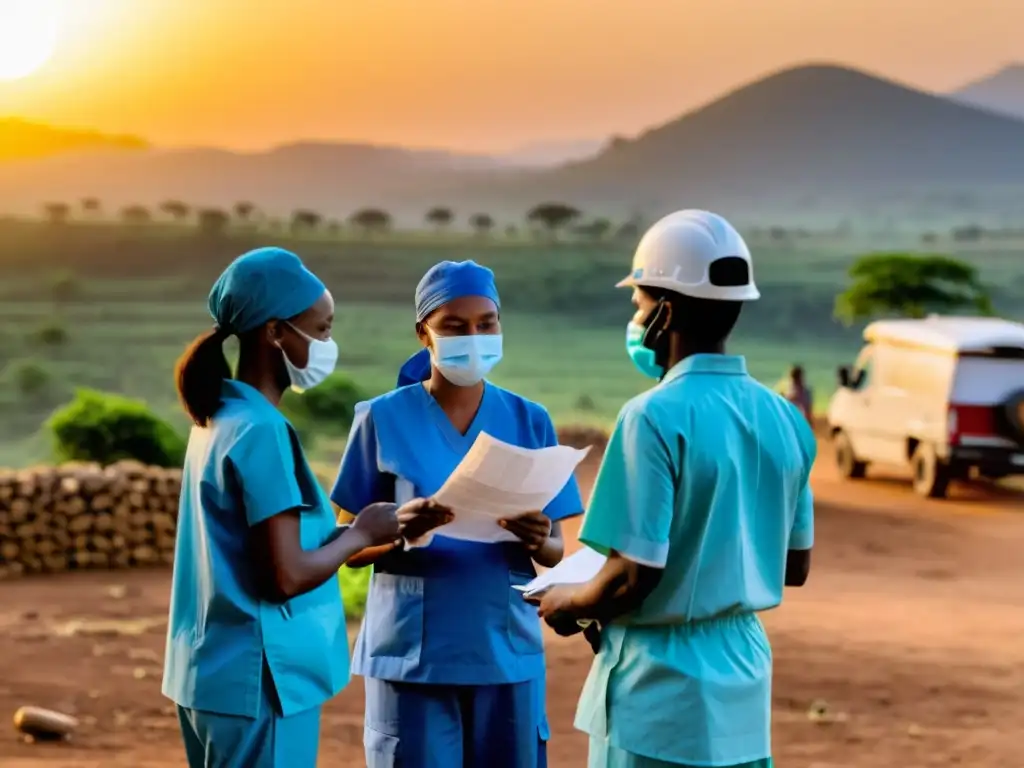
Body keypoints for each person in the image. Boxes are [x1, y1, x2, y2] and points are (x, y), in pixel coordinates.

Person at [530, 210, 816, 768]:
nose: (636, 318)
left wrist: (570, 601)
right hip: (744, 682)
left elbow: (635, 574)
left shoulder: (651, 417)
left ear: (665, 311)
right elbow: (794, 565)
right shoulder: (786, 418)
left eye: (638, 303)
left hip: (658, 693)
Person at [162, 246, 424, 768]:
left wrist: (361, 536)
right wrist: (357, 532)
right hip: (260, 681)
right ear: (276, 332)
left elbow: (256, 549)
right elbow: (283, 576)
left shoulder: (218, 417)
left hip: (208, 674)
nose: (328, 344)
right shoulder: (263, 432)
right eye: (321, 330)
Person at [330, 259, 585, 768]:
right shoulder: (381, 418)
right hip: (413, 657)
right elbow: (347, 546)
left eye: (485, 324)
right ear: (424, 333)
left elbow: (558, 554)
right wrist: (403, 532)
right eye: (454, 326)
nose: (473, 337)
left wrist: (539, 540)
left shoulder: (529, 419)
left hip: (504, 652)